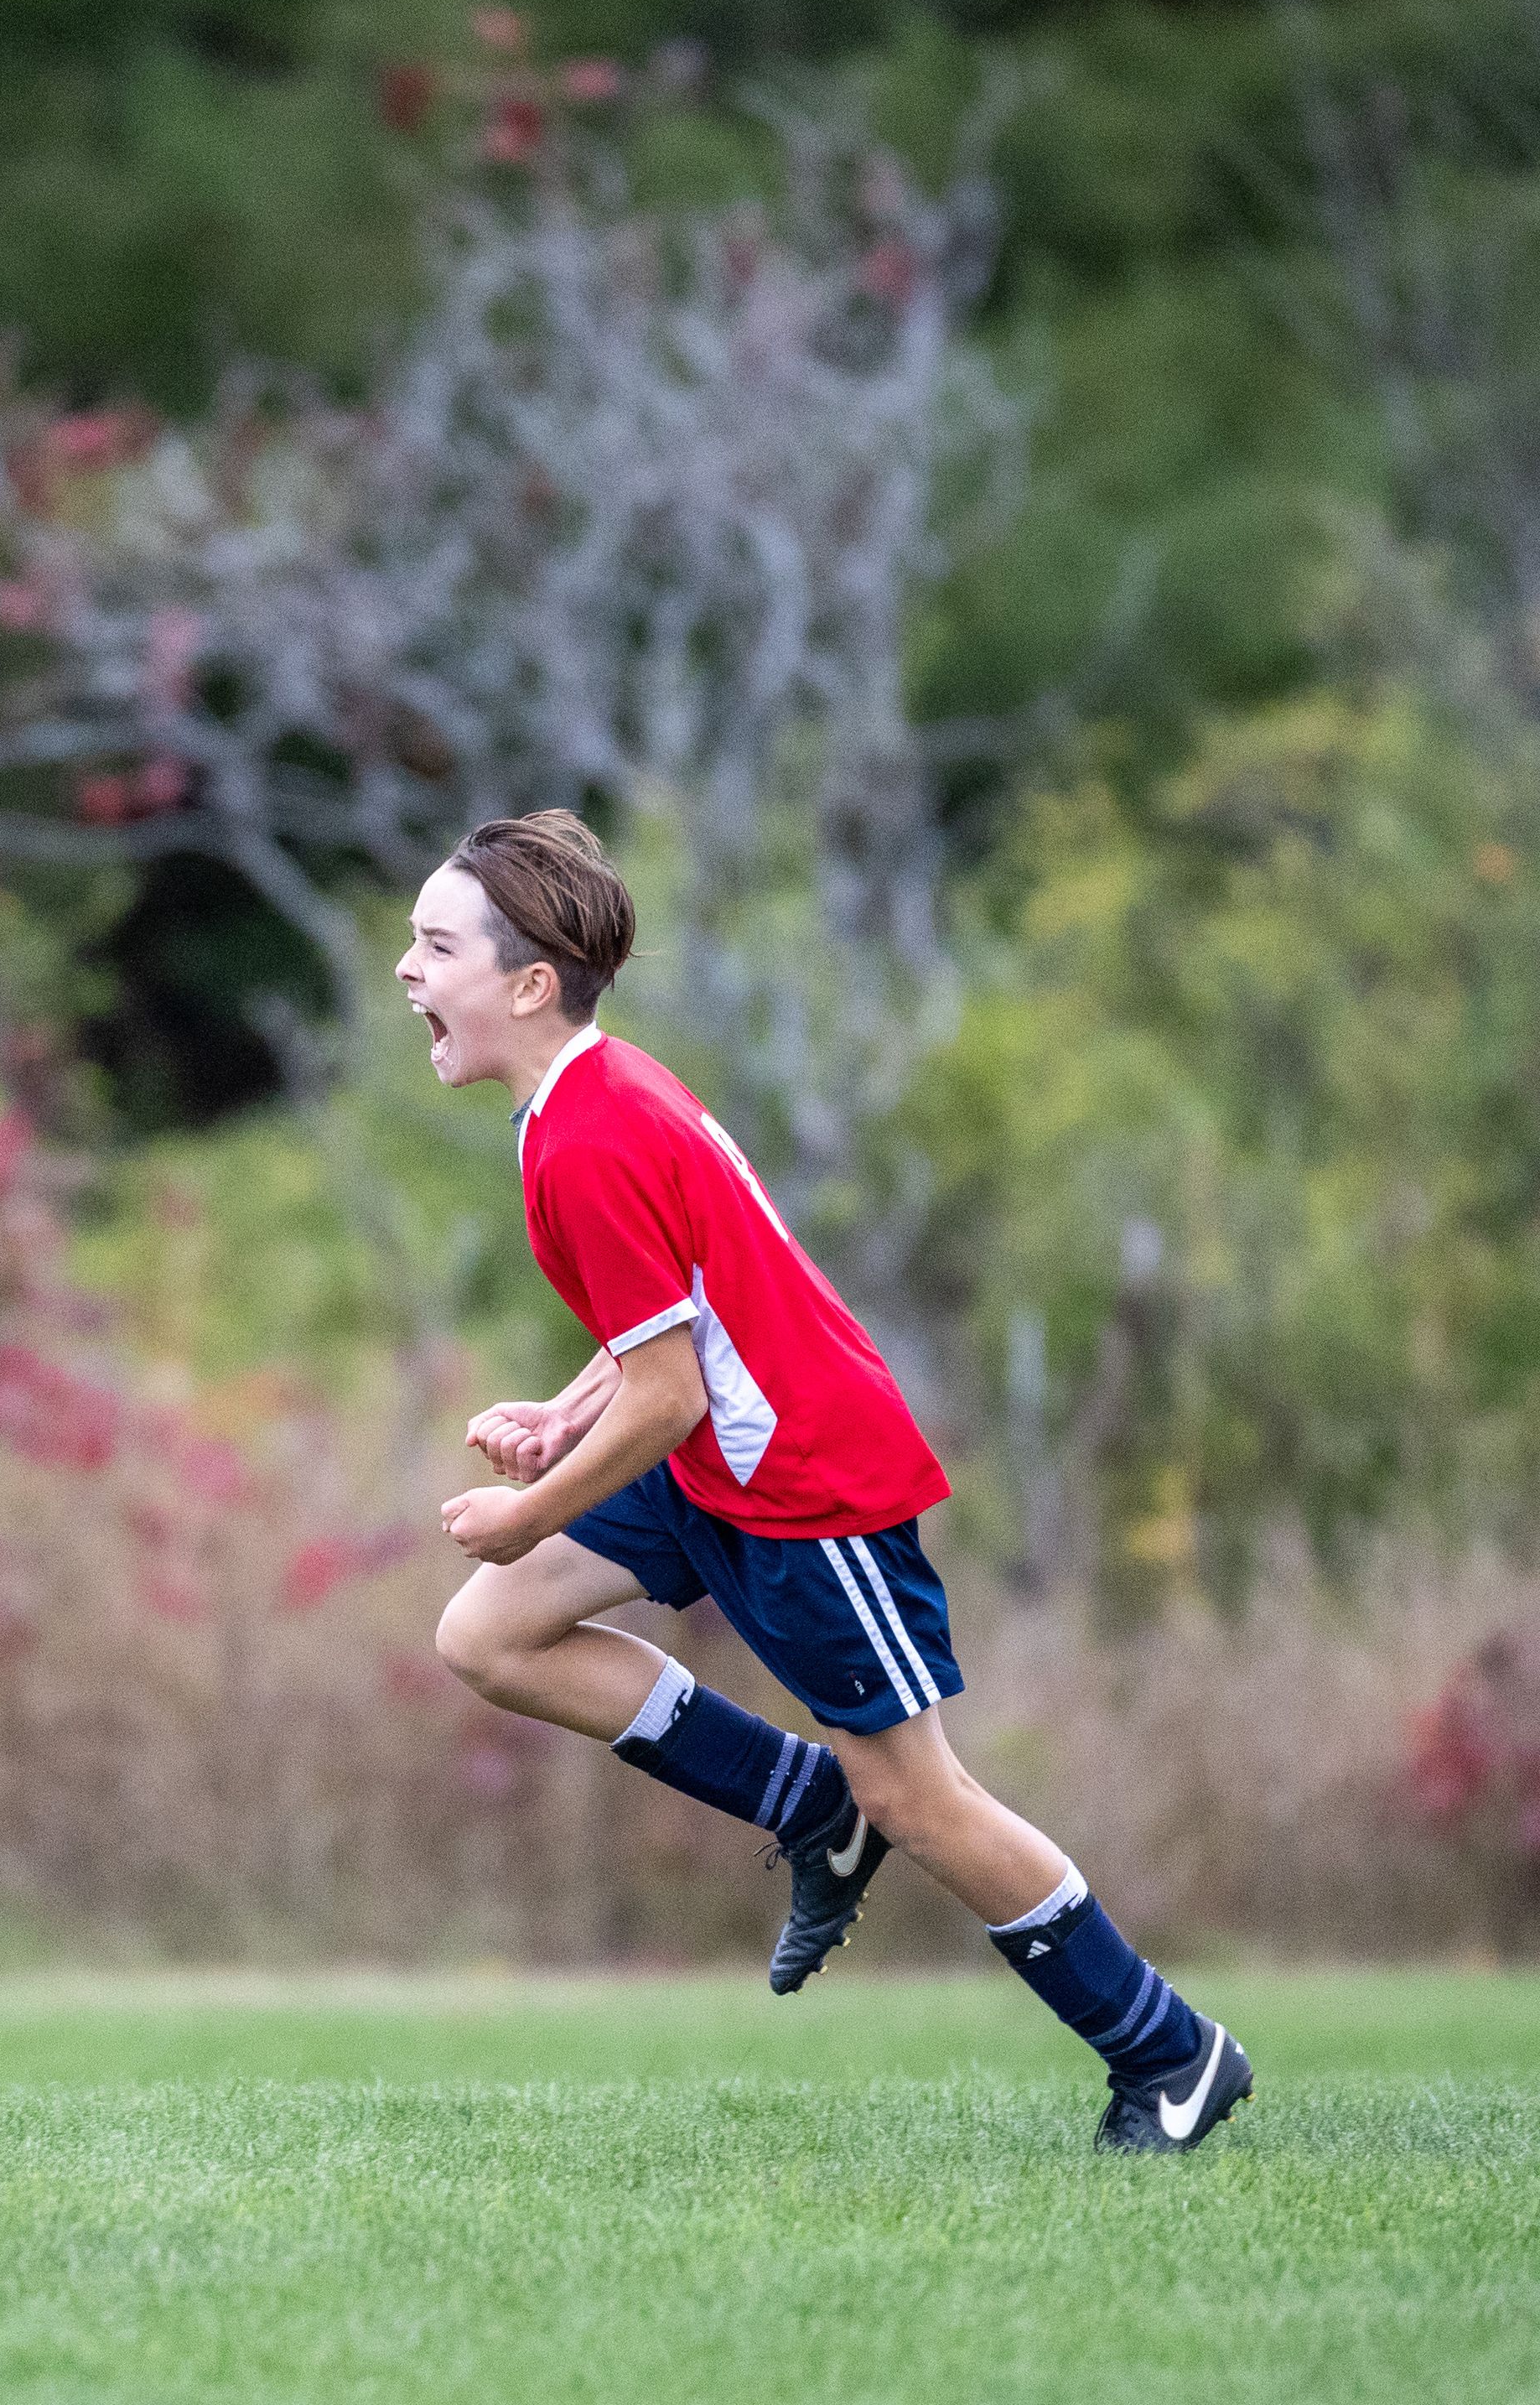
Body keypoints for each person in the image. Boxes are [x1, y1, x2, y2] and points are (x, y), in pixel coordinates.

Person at [398, 809, 1252, 2154]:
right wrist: (567, 1413)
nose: (408, 971)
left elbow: (673, 1390)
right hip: (717, 1466)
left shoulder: (587, 1135)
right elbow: (672, 1328)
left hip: (803, 1483)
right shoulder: (585, 1097)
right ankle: (807, 1810)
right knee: (492, 1635)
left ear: (529, 983)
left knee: (920, 1798)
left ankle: (1170, 2051)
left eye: (434, 946)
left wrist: (526, 1511)